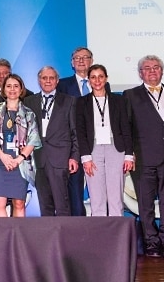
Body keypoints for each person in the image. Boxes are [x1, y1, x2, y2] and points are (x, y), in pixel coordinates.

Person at [123, 55, 164, 259]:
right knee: (146, 203)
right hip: (143, 158)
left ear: (162, 71)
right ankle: (151, 240)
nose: (152, 71)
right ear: (140, 73)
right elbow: (126, 128)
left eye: (156, 67)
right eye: (147, 68)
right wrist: (129, 154)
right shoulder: (130, 95)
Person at [57, 47, 109, 216]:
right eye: (76, 58)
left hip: (100, 143)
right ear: (72, 62)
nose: (81, 60)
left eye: (85, 57)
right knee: (74, 188)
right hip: (74, 145)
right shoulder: (63, 85)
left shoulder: (103, 84)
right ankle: (77, 226)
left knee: (102, 188)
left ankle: (100, 224)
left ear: (91, 61)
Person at [75, 64, 133, 216]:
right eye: (93, 77)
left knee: (116, 195)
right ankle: (100, 234)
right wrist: (85, 157)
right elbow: (80, 132)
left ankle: (118, 234)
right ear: (88, 80)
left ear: (106, 78)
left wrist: (129, 155)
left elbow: (126, 128)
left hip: (116, 148)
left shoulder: (118, 100)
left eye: (100, 76)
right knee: (96, 195)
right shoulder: (81, 102)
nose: (97, 80)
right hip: (92, 149)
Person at [0, 74, 41, 217]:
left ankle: (17, 239)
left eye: (16, 86)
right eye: (9, 86)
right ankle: (3, 238)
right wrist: (3, 157)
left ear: (21, 89)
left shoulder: (29, 114)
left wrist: (18, 159)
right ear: (3, 90)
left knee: (19, 204)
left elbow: (33, 140)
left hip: (20, 164)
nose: (12, 89)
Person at [24, 66, 78, 216]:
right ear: (39, 80)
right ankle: (48, 237)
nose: (48, 81)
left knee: (62, 204)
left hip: (60, 158)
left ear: (57, 81)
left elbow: (74, 131)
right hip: (38, 158)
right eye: (44, 78)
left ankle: (63, 237)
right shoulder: (29, 101)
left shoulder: (69, 101)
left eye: (51, 78)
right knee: (44, 203)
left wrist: (74, 156)